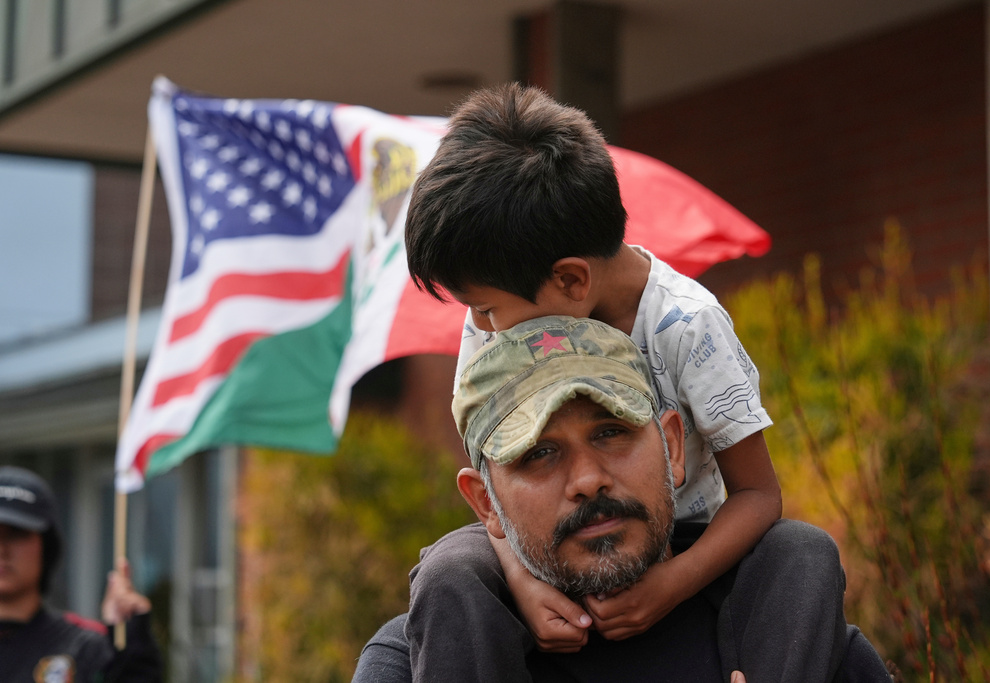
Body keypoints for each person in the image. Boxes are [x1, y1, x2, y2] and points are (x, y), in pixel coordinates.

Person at [398, 81, 843, 680]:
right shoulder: (495, 324)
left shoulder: (688, 326)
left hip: (680, 545)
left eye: (486, 307)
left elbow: (759, 495)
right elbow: (498, 491)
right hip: (547, 545)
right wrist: (521, 582)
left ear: (571, 281)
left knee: (803, 554)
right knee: (449, 567)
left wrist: (672, 585)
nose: (477, 324)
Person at [353, 317, 891, 682]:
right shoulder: (418, 662)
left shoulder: (800, 643)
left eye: (611, 432)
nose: (587, 479)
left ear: (673, 446)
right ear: (485, 503)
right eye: (538, 453)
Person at [0, 465, 162, 682]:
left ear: (47, 547)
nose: (2, 550)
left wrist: (134, 655)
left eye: (16, 534)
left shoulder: (87, 649)